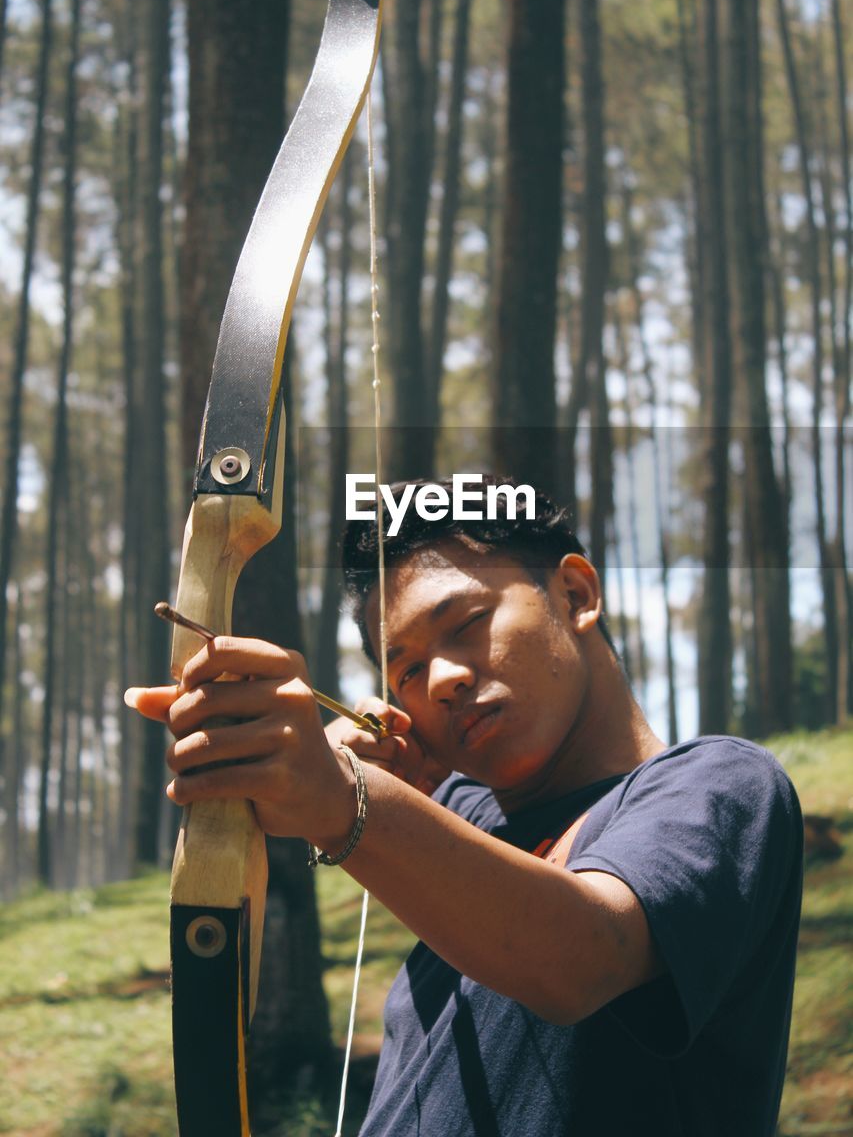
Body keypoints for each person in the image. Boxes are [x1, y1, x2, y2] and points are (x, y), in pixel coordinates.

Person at [127, 476, 803, 1137]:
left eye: (467, 623)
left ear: (574, 593)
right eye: (407, 671)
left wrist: (341, 799)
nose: (442, 680)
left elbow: (581, 956)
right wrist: (355, 783)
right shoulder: (461, 817)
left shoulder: (718, 784)